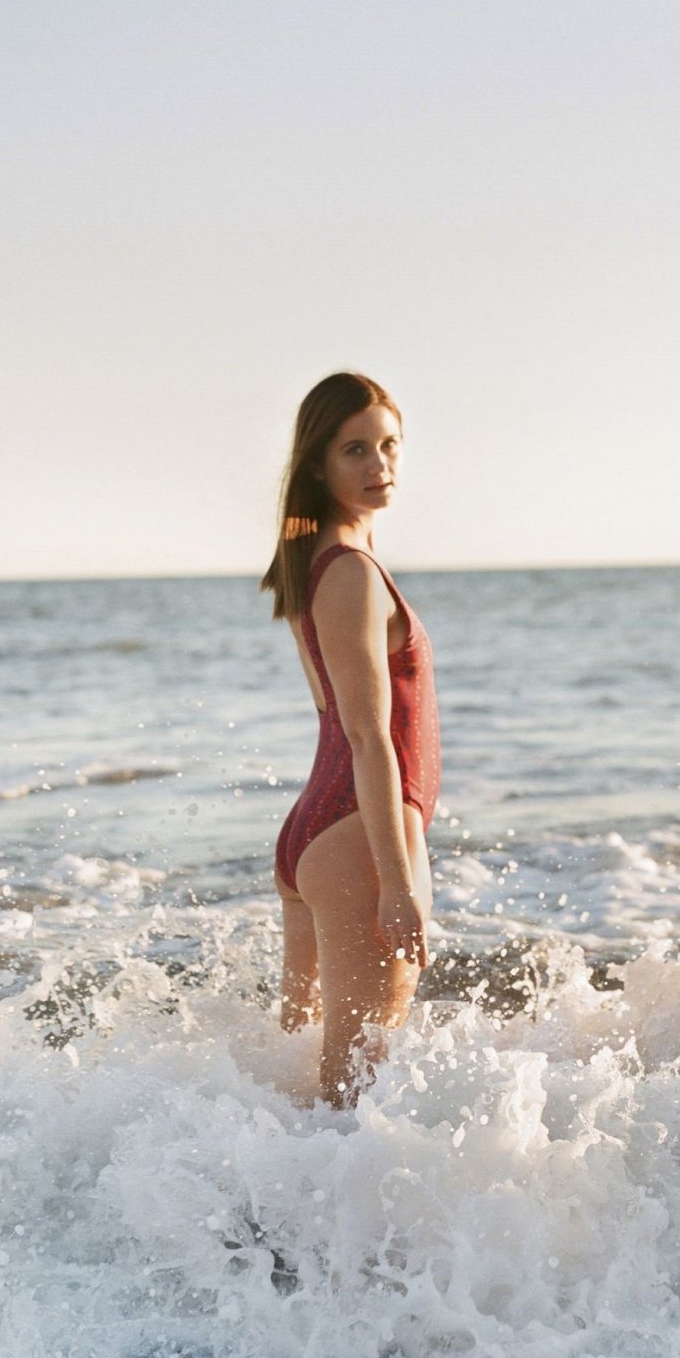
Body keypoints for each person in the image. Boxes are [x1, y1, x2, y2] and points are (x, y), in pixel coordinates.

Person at [260, 372, 441, 1106]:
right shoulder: (352, 574)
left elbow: (328, 715)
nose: (379, 466)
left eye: (389, 445)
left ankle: (265, 1218)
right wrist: (397, 886)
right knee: (354, 1096)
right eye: (355, 450)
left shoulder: (315, 565)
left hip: (316, 835)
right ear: (317, 464)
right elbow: (368, 738)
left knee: (308, 1089)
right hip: (361, 837)